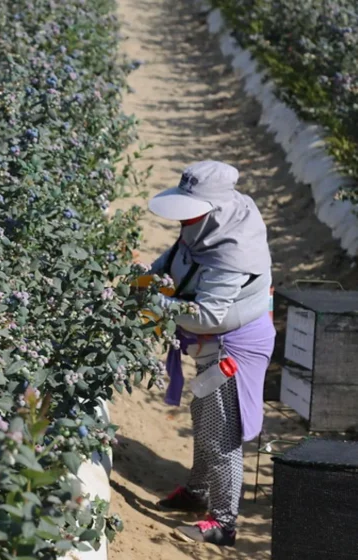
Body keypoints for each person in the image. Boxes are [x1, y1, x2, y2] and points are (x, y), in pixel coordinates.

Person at [147, 161, 275, 547]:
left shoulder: (232, 251)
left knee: (221, 433)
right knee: (203, 416)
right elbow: (172, 263)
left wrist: (157, 305)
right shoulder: (203, 228)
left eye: (192, 211)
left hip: (232, 346)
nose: (183, 221)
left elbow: (207, 315)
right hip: (213, 343)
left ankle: (223, 523)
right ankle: (198, 492)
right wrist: (145, 277)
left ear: (213, 209)